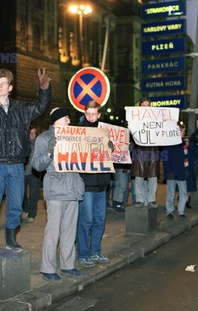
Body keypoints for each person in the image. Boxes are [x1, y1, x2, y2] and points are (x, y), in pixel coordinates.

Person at [0, 68, 51, 255]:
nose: (0, 86)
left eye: (4, 83)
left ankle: (11, 239)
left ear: (10, 87)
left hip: (16, 165)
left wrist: (44, 90)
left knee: (15, 204)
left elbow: (40, 107)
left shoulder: (21, 109)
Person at [32, 107, 85, 283]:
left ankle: (68, 265)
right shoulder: (44, 138)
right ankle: (47, 268)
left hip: (73, 187)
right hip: (55, 189)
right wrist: (49, 152)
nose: (69, 121)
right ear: (57, 120)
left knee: (70, 230)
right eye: (66, 118)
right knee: (53, 230)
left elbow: (88, 158)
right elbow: (37, 165)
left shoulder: (74, 137)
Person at [77, 101, 112, 268]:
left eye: (94, 114)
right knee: (86, 220)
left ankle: (95, 251)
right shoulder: (78, 131)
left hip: (102, 183)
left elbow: (113, 152)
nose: (91, 117)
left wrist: (110, 146)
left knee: (100, 219)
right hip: (86, 183)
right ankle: (83, 254)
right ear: (85, 113)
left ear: (99, 115)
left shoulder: (106, 132)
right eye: (88, 113)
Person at [130, 98, 159, 208]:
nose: (146, 108)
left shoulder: (157, 119)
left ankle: (151, 200)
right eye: (143, 106)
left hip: (153, 150)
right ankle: (139, 200)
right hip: (139, 150)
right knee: (138, 176)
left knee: (153, 176)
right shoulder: (134, 119)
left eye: (148, 106)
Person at [163, 124, 189, 219]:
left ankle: (181, 212)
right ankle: (169, 211)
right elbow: (165, 158)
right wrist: (168, 171)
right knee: (170, 194)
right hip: (172, 172)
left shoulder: (183, 144)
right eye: (182, 131)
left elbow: (186, 158)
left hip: (181, 172)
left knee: (183, 193)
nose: (184, 133)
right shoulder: (169, 143)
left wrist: (186, 169)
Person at [21, 126, 40, 223]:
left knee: (34, 194)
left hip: (34, 173)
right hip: (23, 172)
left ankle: (32, 213)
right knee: (22, 194)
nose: (32, 134)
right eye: (30, 132)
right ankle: (26, 209)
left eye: (34, 132)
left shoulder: (39, 144)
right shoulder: (23, 143)